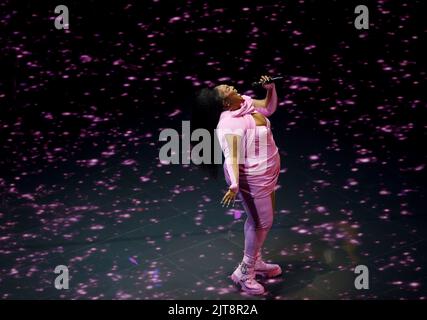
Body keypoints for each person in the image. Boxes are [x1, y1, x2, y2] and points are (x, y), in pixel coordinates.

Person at [193, 75, 281, 295]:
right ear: (225, 102)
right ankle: (245, 272)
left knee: (259, 221)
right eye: (227, 89)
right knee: (262, 222)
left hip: (267, 170)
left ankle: (256, 261)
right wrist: (234, 184)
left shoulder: (245, 102)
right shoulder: (229, 124)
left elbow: (268, 109)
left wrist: (270, 89)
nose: (232, 86)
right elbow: (231, 156)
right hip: (251, 178)